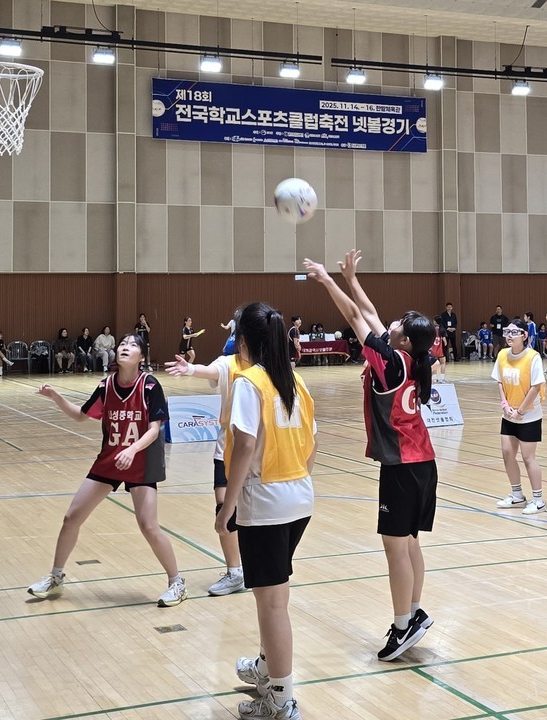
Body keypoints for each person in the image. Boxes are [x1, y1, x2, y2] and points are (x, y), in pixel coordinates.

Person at [305, 249, 437, 663]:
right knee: (410, 542)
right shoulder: (412, 359)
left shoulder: (391, 361)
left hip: (401, 467)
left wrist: (328, 281)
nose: (390, 323)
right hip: (423, 464)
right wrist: (350, 277)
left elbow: (356, 318)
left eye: (397, 325)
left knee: (394, 547)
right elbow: (369, 312)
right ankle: (413, 614)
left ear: (401, 339)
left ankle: (402, 626)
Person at [27, 333, 187, 608]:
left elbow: (154, 429)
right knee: (71, 518)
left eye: (133, 345)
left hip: (141, 461)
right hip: (111, 459)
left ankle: (177, 583)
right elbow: (81, 416)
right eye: (123, 344)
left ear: (142, 357)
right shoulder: (106, 385)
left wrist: (132, 449)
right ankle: (56, 577)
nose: (125, 347)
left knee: (148, 526)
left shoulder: (149, 385)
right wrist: (56, 397)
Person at [219, 303, 317, 720]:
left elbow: (243, 446)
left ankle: (280, 698)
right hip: (299, 498)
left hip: (266, 503)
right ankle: (266, 668)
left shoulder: (251, 383)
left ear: (244, 341)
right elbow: (315, 442)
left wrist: (229, 503)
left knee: (272, 604)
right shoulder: (294, 381)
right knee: (275, 596)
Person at [164, 331, 250, 598]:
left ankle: (258, 565)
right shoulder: (229, 363)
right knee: (224, 508)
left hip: (258, 452)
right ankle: (235, 571)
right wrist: (189, 368)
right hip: (225, 451)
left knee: (255, 513)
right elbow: (210, 370)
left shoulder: (266, 367)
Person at [493, 319, 547, 514]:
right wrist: (505, 405)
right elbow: (499, 381)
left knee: (528, 457)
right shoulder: (502, 355)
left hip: (529, 415)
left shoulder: (532, 357)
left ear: (524, 336)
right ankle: (517, 495)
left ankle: (538, 499)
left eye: (514, 333)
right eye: (507, 332)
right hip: (508, 414)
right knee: (507, 454)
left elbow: (536, 386)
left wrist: (521, 410)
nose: (509, 336)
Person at [431, 318, 447, 383]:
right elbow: (445, 342)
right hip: (440, 350)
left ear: (435, 321)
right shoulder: (442, 329)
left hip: (433, 349)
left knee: (434, 363)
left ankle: (434, 378)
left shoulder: (431, 329)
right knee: (443, 363)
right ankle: (442, 379)